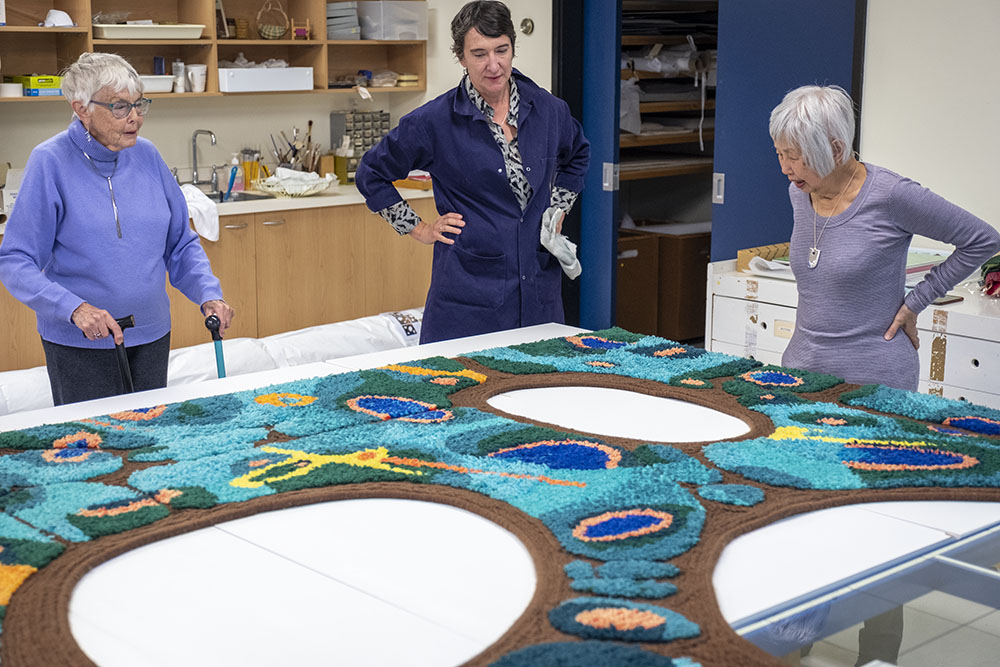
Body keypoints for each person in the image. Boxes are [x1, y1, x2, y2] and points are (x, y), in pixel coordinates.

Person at [0, 52, 234, 405]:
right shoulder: (49, 162)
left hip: (152, 336)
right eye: (120, 107)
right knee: (96, 451)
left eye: (140, 104)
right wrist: (75, 308)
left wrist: (208, 293)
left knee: (151, 444)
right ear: (82, 109)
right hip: (81, 344)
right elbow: (15, 260)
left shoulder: (148, 155)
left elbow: (180, 243)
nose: (135, 118)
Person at [356, 0, 590, 344]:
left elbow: (578, 154)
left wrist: (559, 208)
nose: (493, 65)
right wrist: (418, 228)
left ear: (512, 48)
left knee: (539, 390)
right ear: (461, 57)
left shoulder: (549, 110)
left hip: (539, 297)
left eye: (502, 50)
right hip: (467, 303)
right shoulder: (433, 121)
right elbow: (371, 172)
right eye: (479, 54)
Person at [770, 84, 1000, 392]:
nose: (785, 168)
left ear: (836, 150)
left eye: (795, 157)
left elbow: (983, 240)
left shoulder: (893, 195)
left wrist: (915, 303)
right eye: (780, 154)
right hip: (803, 372)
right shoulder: (800, 192)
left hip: (876, 379)